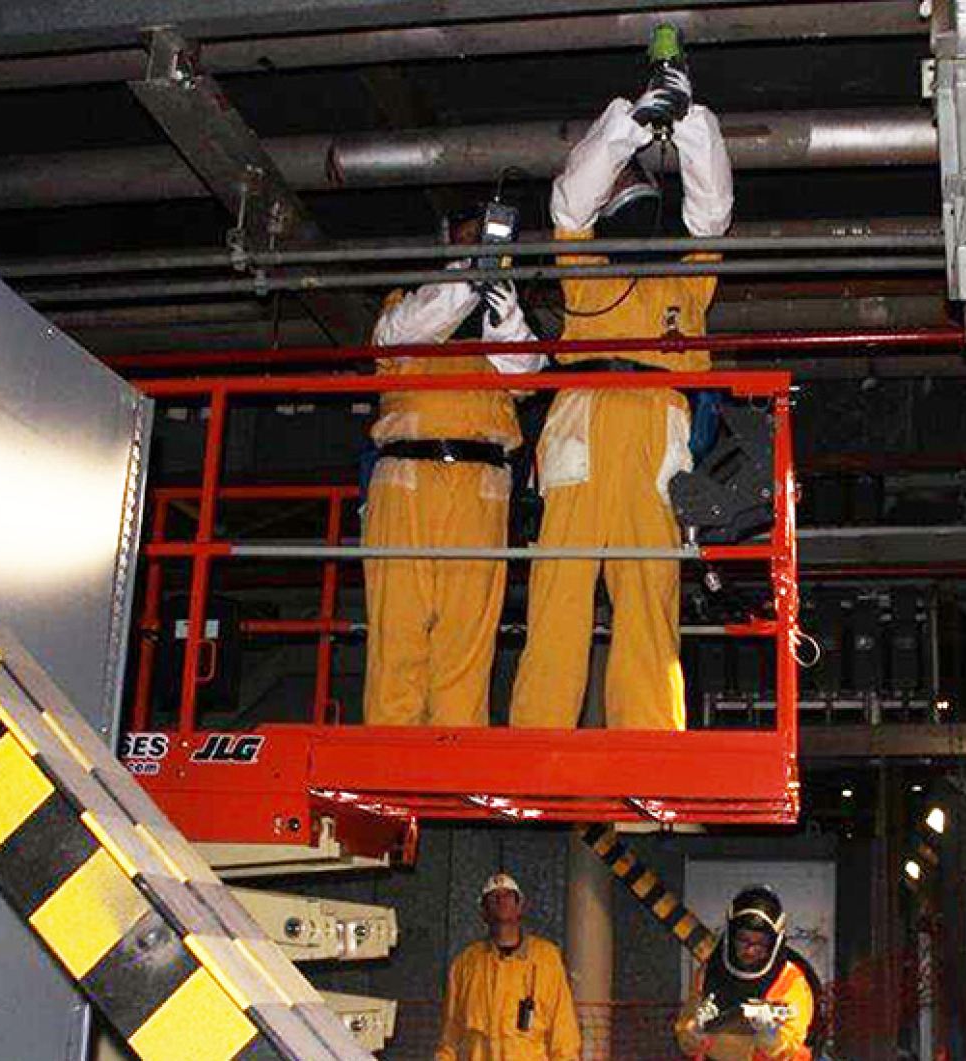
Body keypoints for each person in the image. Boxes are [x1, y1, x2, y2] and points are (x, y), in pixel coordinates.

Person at [509, 63, 733, 730]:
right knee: (560, 589)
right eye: (617, 182)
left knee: (649, 591)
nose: (622, 193)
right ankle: (538, 736)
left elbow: (713, 209)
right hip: (585, 419)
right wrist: (630, 126)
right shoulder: (584, 273)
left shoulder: (687, 279)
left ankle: (652, 740)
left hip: (656, 431)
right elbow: (568, 203)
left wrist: (685, 118)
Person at [363, 209, 544, 726]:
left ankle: (451, 773)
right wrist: (470, 277)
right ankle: (388, 764)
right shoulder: (407, 303)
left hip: (482, 485)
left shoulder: (507, 322)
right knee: (398, 628)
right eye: (468, 241)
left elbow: (526, 375)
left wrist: (504, 313)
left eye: (486, 243)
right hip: (406, 478)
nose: (478, 249)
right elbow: (401, 334)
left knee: (467, 636)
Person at [435, 873, 583, 1061]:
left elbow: (564, 1035)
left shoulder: (547, 960)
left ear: (520, 906)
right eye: (493, 897)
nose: (501, 900)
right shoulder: (466, 964)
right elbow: (450, 1036)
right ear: (483, 911)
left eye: (508, 895)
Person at [674, 886, 824, 1061]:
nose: (751, 951)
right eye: (743, 940)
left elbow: (791, 1046)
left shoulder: (791, 981)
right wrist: (695, 1031)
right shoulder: (709, 973)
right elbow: (685, 1037)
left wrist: (770, 1035)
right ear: (730, 936)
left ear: (774, 942)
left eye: (760, 943)